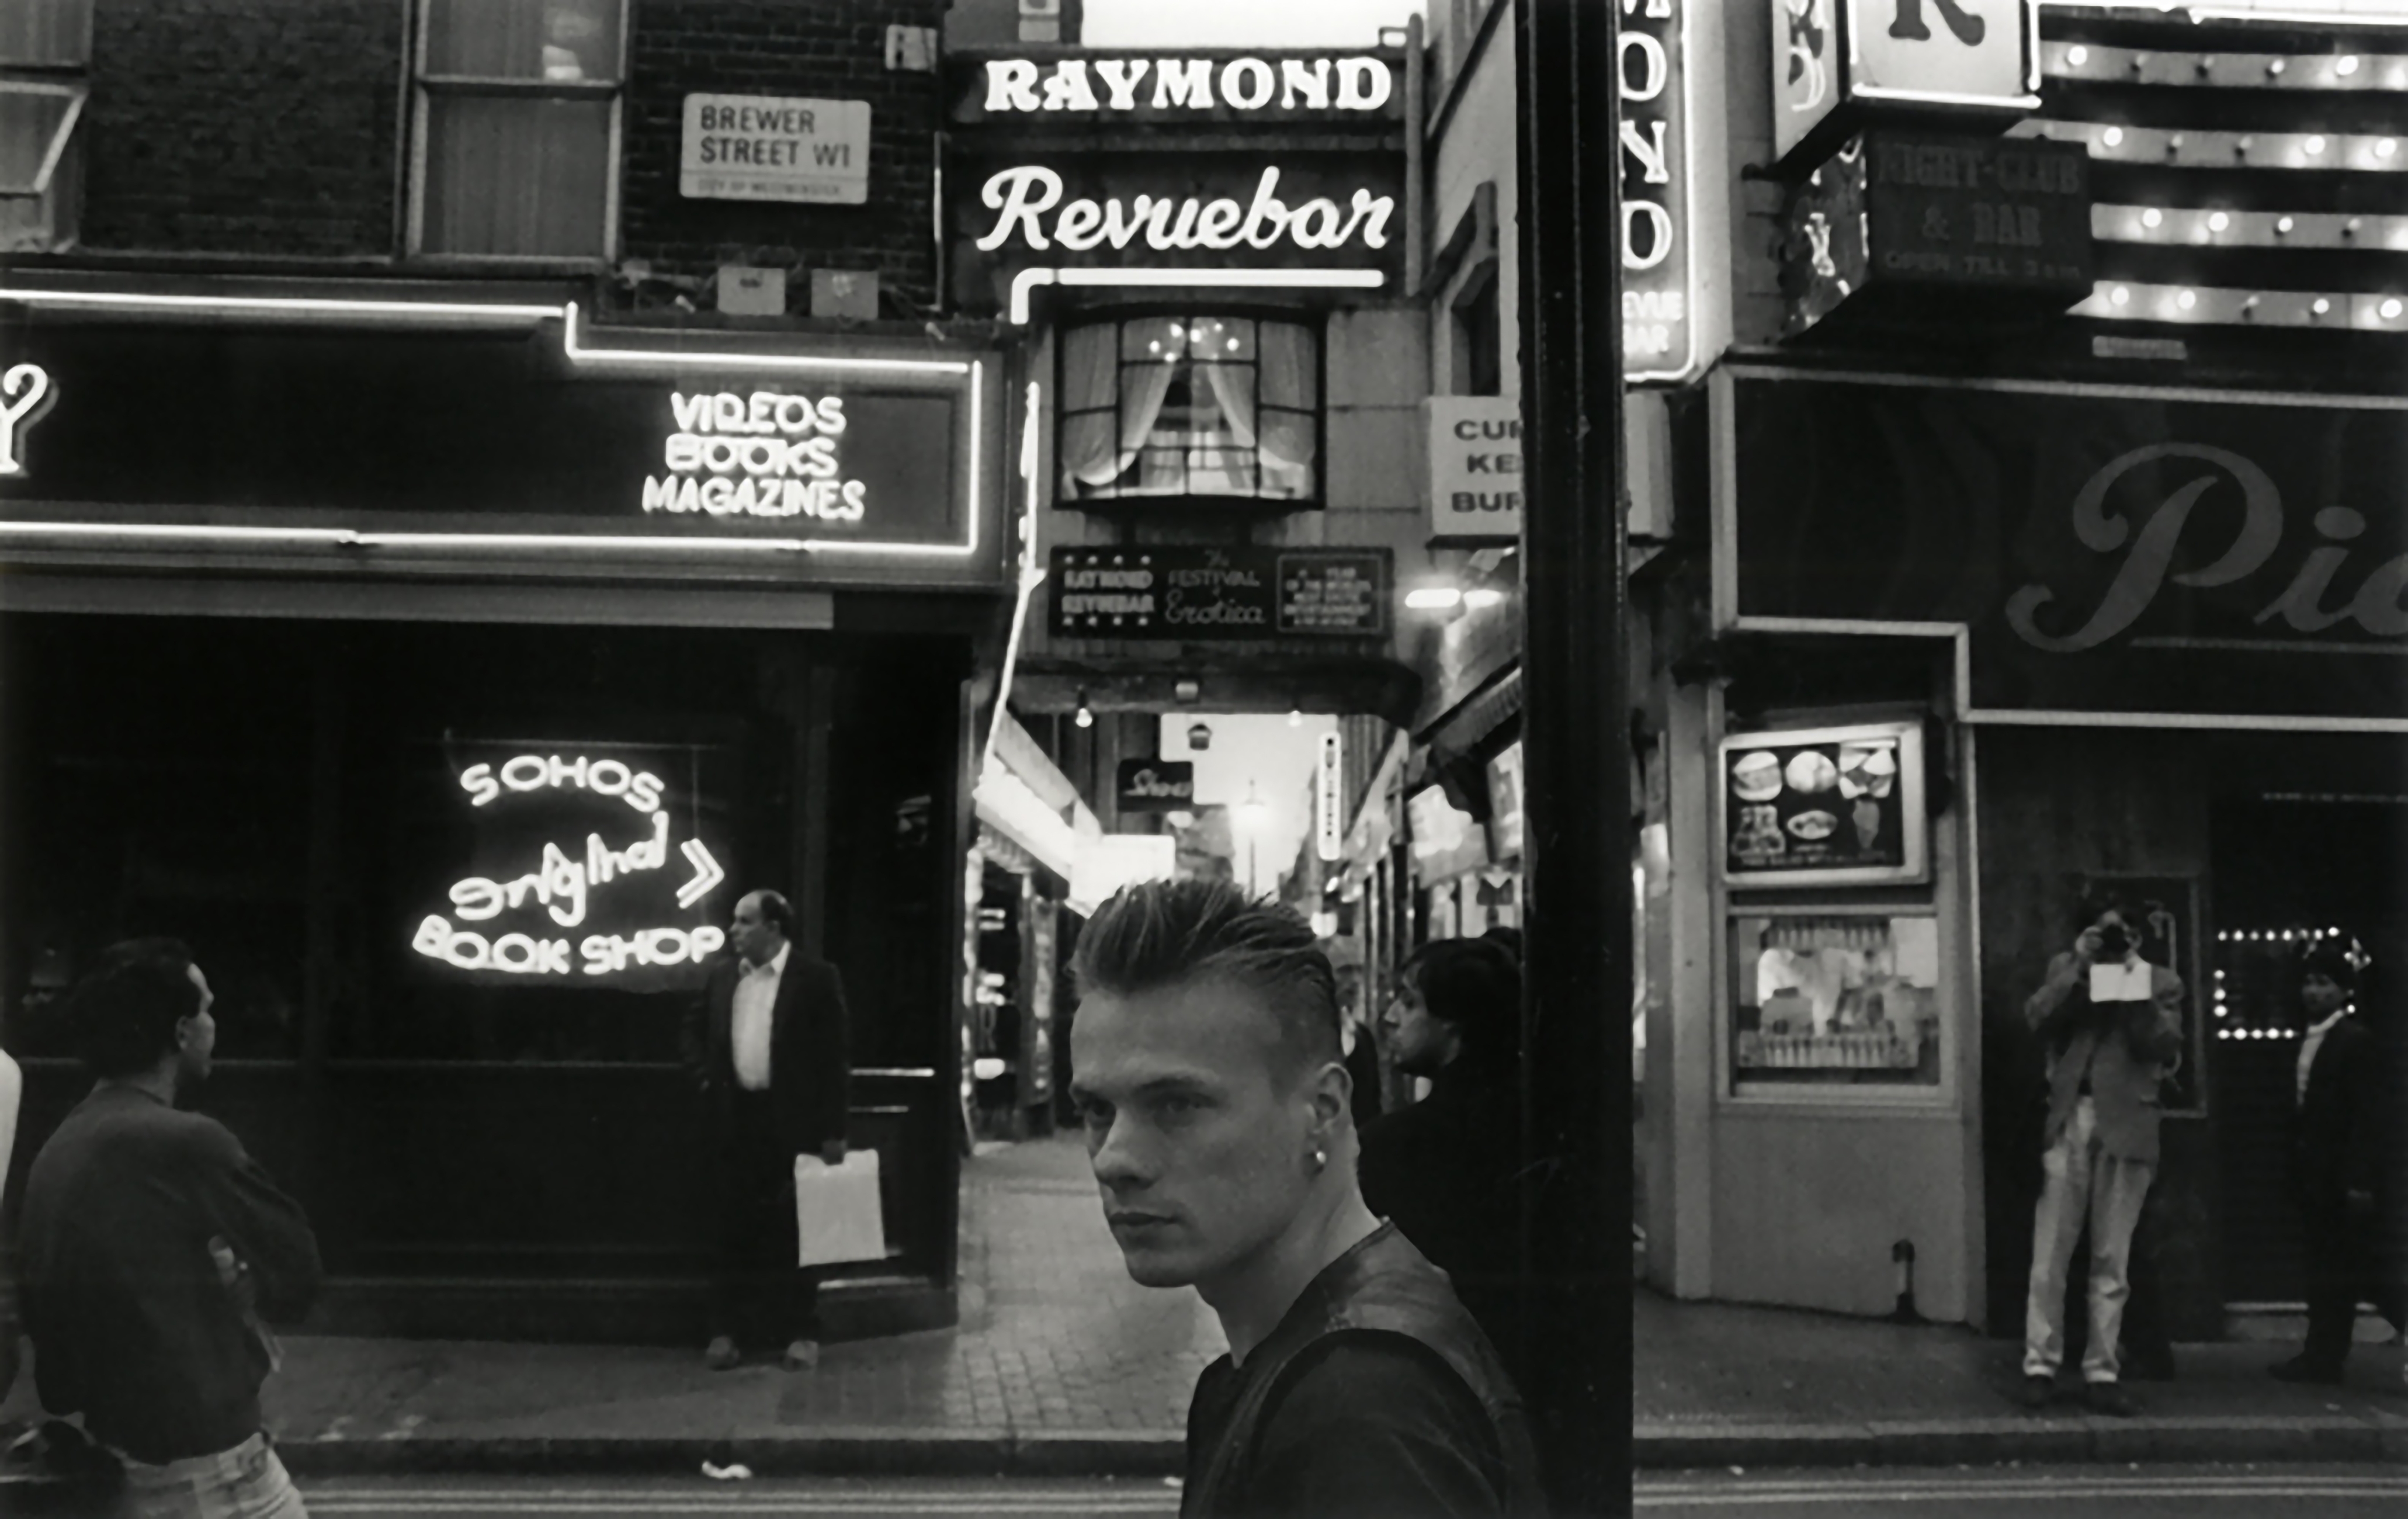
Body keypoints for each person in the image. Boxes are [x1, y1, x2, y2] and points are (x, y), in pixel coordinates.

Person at [1068, 881, 1542, 1518]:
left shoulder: (1362, 1411)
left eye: (1177, 1104)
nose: (1113, 1158)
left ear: (1321, 1110)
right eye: (1098, 1110)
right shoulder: (1333, 1360)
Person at [18, 938, 321, 1517]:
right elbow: (299, 1274)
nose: (214, 1024)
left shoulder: (64, 1143)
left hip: (125, 1457)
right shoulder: (184, 1142)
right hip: (214, 1475)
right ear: (181, 1032)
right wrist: (244, 1279)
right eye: (207, 1009)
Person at [2017, 891, 2185, 1416]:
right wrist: (2081, 966)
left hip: (2127, 1123)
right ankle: (2040, 1364)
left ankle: (2102, 1369)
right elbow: (2037, 1017)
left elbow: (2163, 1043)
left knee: (2113, 1257)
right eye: (2106, 931)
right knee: (2050, 1252)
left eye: (2125, 933)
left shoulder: (2160, 981)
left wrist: (2131, 977)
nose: (2116, 941)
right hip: (2070, 1115)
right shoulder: (2069, 969)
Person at [682, 889, 851, 1372]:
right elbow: (694, 1029)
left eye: (744, 921)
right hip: (735, 1118)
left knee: (796, 1229)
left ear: (773, 928)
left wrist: (833, 1130)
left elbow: (834, 1056)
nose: (733, 929)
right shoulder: (723, 977)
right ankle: (726, 1331)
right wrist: (705, 1077)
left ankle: (801, 1332)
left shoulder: (814, 978)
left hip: (792, 1122)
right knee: (731, 1225)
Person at [1358, 938, 1526, 1390]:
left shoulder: (1400, 1145)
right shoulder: (1533, 1126)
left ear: (1453, 1023)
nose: (1391, 1016)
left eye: (1409, 1002)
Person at [2268, 942, 2404, 1383]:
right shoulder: (2306, 1039)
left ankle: (2325, 1354)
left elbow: (2367, 1114)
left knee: (2360, 1269)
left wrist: (2360, 1178)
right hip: (2315, 1175)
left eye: (2324, 983)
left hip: (2341, 1176)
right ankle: (2322, 1356)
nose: (2313, 991)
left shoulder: (2354, 1041)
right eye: (2309, 982)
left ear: (2344, 991)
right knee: (2327, 1269)